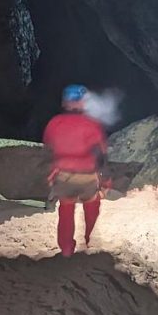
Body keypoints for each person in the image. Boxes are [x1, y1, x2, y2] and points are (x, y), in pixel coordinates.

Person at [43, 84, 109, 257]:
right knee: (92, 204)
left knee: (66, 209)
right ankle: (89, 240)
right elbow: (100, 155)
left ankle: (66, 248)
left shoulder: (54, 123)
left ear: (65, 102)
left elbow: (49, 148)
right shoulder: (92, 125)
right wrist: (103, 178)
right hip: (86, 176)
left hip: (63, 176)